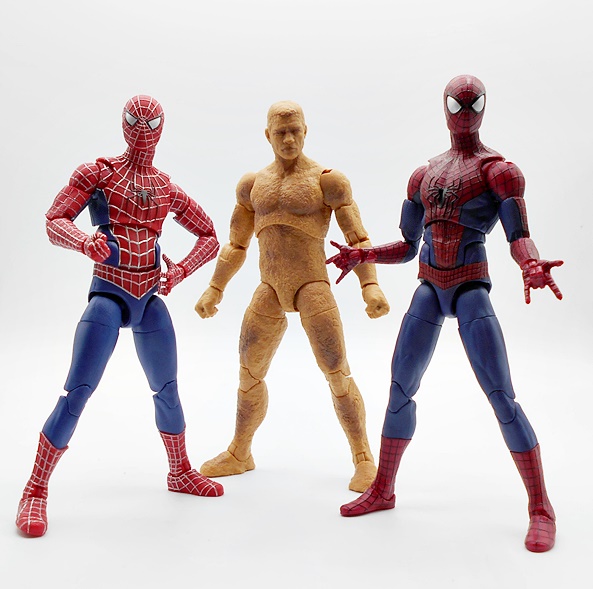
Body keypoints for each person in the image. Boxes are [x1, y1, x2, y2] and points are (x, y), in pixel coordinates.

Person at [328, 76, 561, 552]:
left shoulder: (499, 171)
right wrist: (363, 255)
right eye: (457, 104)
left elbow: (519, 236)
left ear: (484, 107)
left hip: (471, 285)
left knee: (502, 397)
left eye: (473, 103)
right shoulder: (424, 174)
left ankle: (541, 507)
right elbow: (408, 246)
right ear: (444, 107)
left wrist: (531, 264)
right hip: (429, 288)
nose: (465, 112)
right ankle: (384, 488)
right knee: (400, 389)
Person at [17, 95, 223, 538]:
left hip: (149, 298)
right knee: (77, 391)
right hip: (108, 294)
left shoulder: (166, 187)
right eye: (135, 121)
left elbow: (209, 235)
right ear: (124, 125)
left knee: (167, 390)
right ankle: (34, 489)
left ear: (162, 129)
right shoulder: (98, 173)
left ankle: (179, 471)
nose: (143, 130)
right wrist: (82, 242)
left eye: (151, 123)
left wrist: (181, 271)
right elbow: (54, 220)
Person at [195, 101, 389, 491]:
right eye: (281, 132)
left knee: (336, 370)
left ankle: (364, 458)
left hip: (312, 284)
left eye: (295, 130)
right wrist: (215, 287)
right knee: (248, 371)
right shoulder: (252, 185)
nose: (288, 139)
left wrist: (370, 286)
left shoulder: (327, 181)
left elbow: (357, 239)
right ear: (267, 135)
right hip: (269, 287)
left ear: (305, 131)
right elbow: (236, 244)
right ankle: (240, 451)